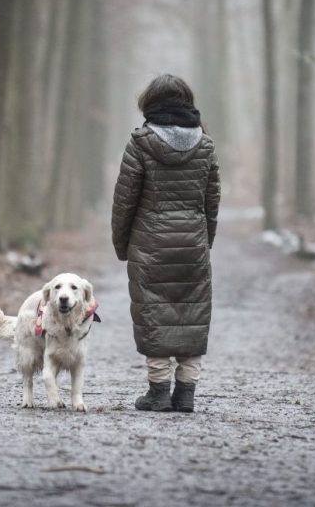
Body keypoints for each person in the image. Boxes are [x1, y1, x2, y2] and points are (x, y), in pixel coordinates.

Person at [111, 73, 221, 413]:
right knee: (192, 315)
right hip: (193, 245)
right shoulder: (205, 144)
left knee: (153, 314)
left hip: (149, 245)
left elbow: (125, 200)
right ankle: (186, 392)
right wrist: (206, 241)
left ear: (149, 103)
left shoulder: (140, 142)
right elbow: (211, 200)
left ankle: (158, 392)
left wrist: (122, 244)